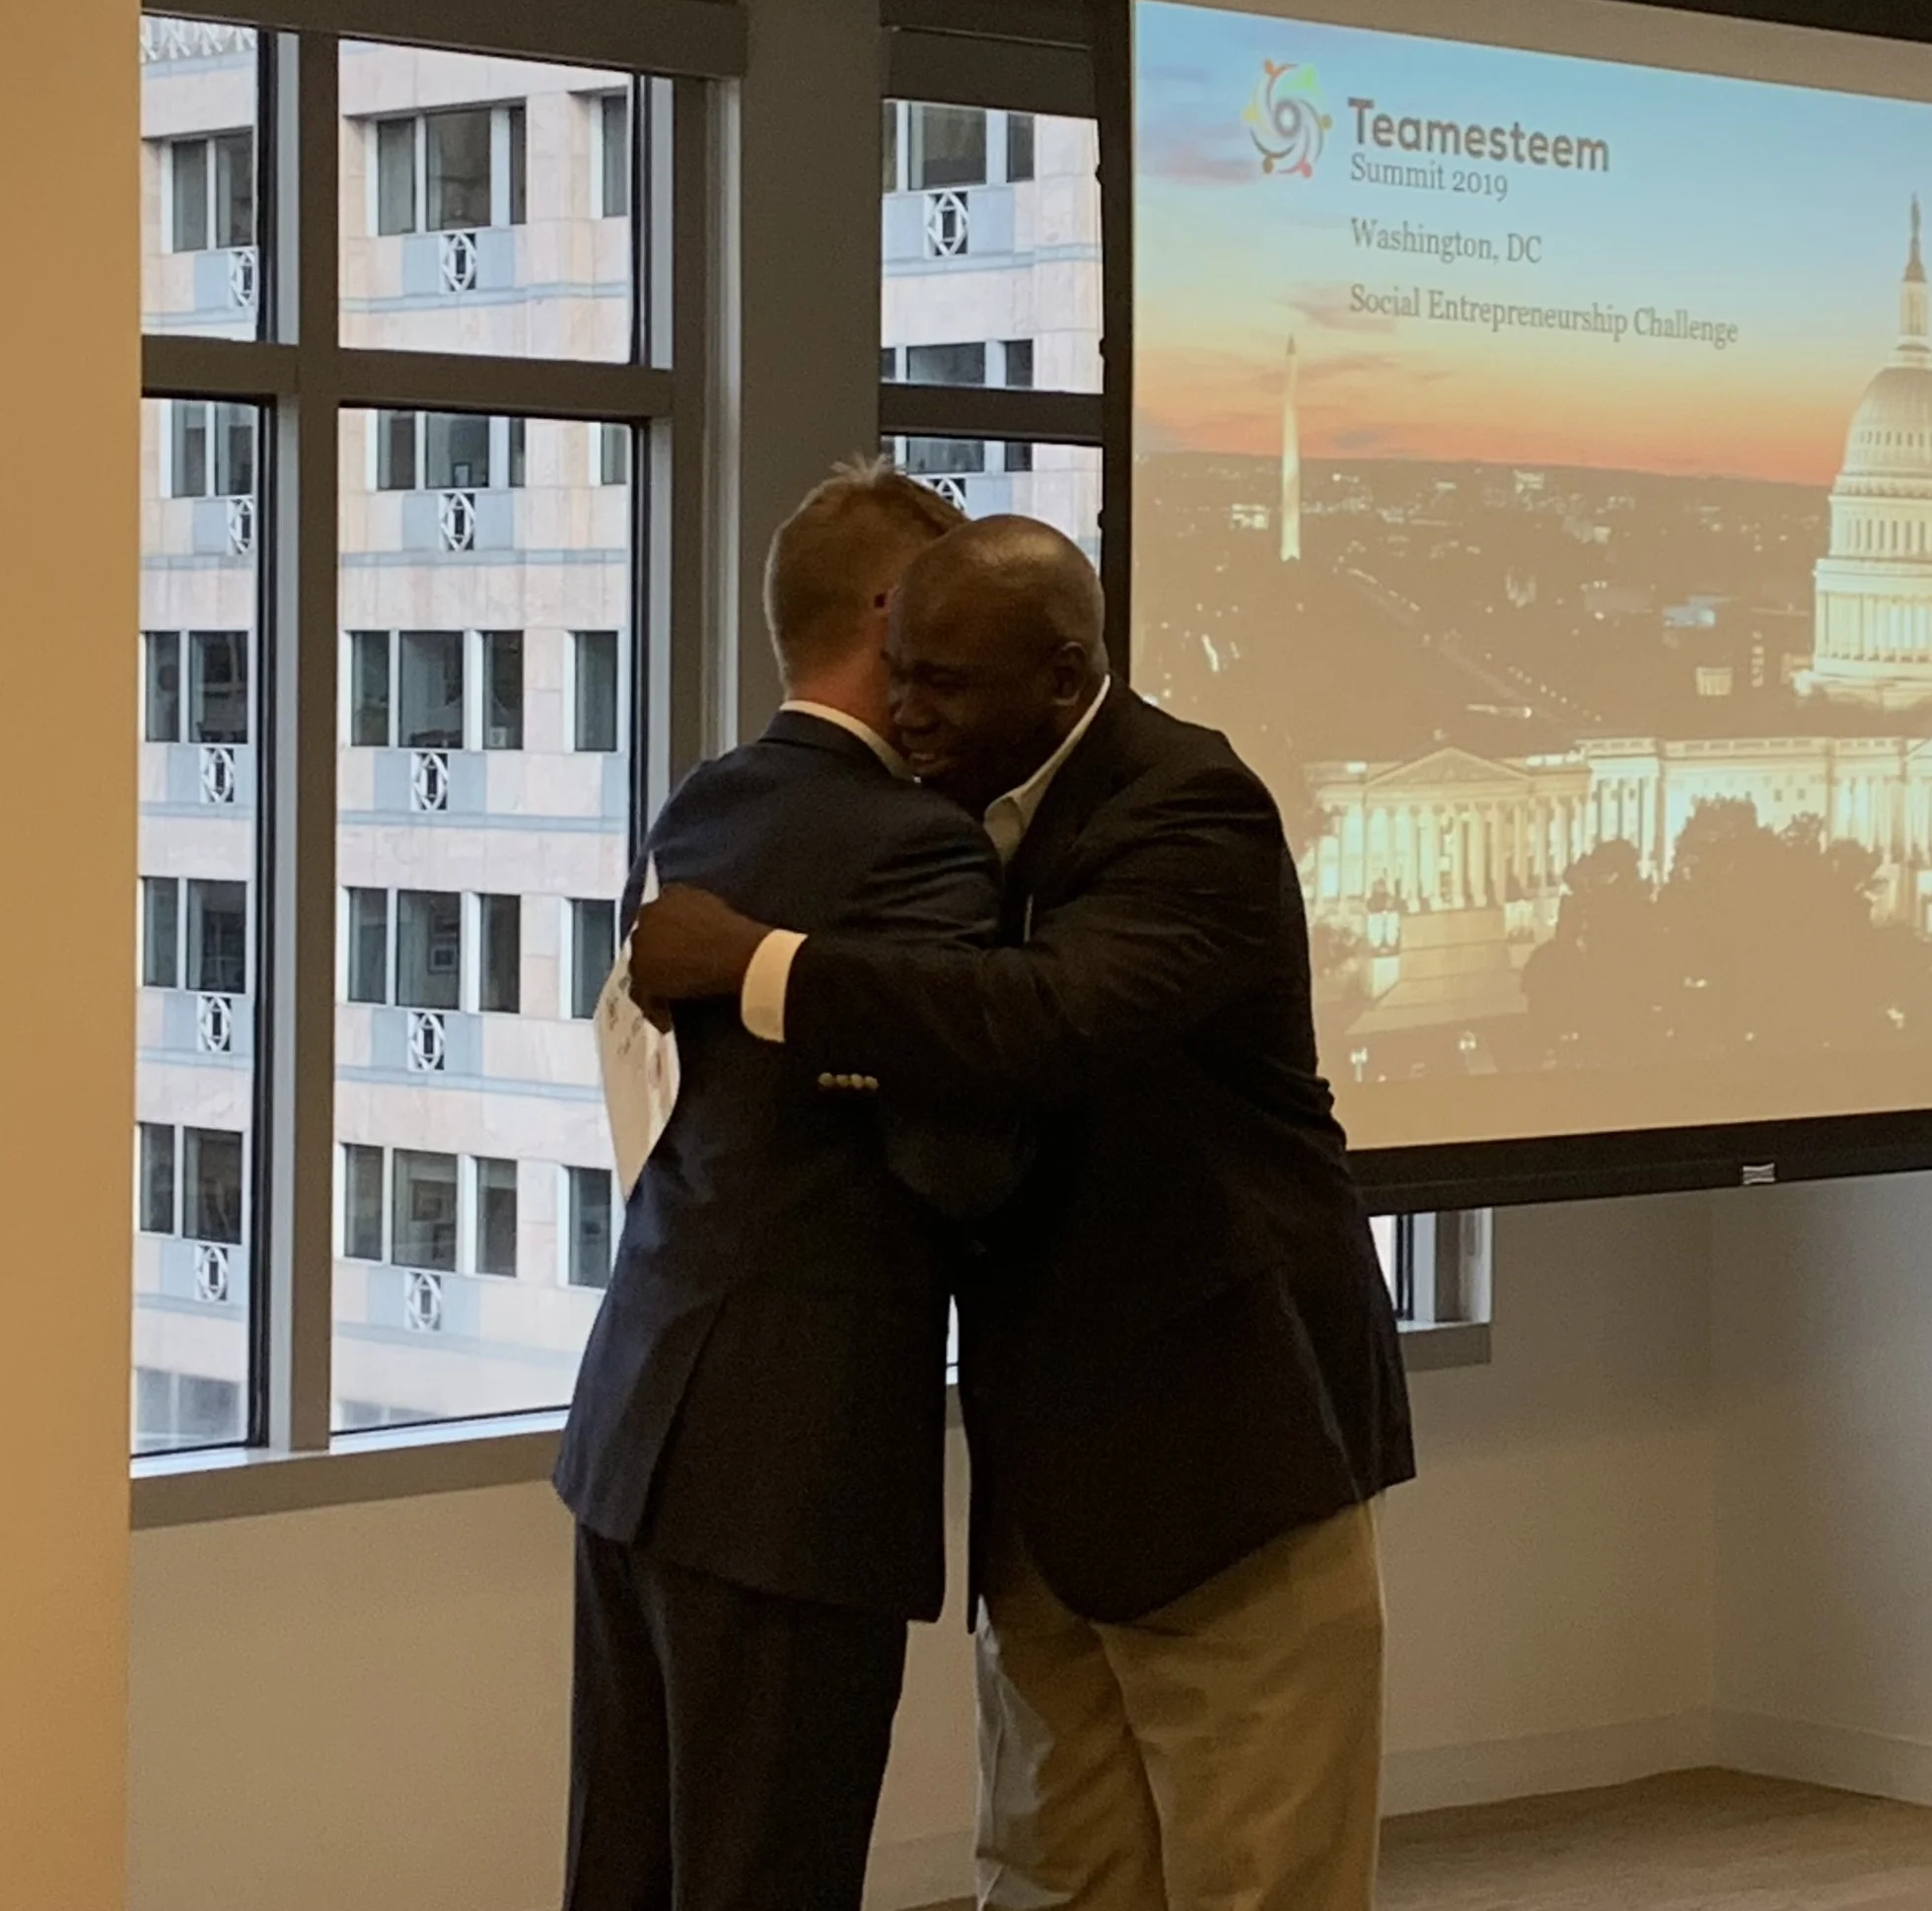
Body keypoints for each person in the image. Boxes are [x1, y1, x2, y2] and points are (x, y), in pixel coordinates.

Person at [629, 515, 1416, 1911]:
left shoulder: (1187, 804)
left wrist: (762, 964)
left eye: (948, 685)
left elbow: (1048, 1022)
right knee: (1052, 1870)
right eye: (904, 674)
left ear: (1065, 678)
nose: (912, 715)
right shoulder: (964, 822)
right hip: (1050, 1474)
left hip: (1224, 1458)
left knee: (1257, 1872)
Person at [556, 464, 1020, 1911]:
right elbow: (967, 1144)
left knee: (626, 1867)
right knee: (770, 1873)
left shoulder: (707, 807)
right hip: (794, 1461)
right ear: (894, 623)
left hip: (641, 1428)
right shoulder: (920, 849)